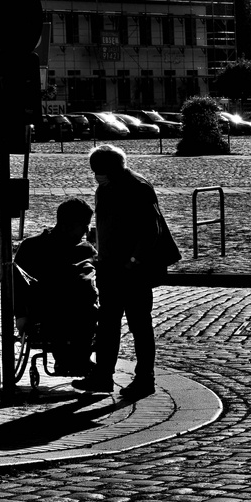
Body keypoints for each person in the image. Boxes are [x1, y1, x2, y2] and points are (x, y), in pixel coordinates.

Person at [73, 145, 180, 399]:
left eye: (98, 170)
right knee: (108, 323)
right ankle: (103, 375)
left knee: (139, 324)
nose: (96, 175)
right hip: (111, 267)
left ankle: (144, 378)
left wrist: (133, 261)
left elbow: (150, 231)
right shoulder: (107, 187)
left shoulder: (137, 187)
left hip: (133, 270)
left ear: (110, 168)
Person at [14, 198, 99, 376]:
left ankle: (73, 360)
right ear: (68, 224)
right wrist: (21, 314)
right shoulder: (34, 247)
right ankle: (74, 360)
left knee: (85, 306)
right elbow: (18, 284)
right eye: (83, 224)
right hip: (49, 311)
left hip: (70, 310)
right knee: (81, 309)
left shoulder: (85, 249)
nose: (86, 230)